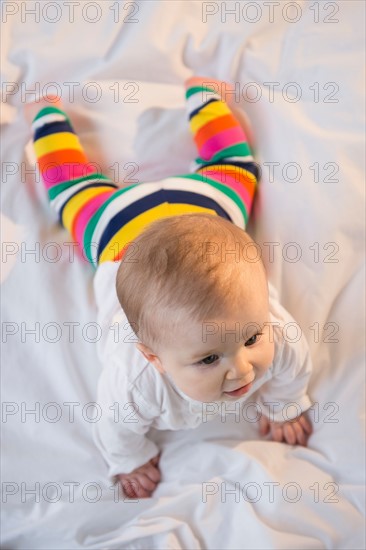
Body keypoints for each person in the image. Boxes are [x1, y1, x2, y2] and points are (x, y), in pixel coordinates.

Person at [24, 76, 313, 499]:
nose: (243, 369)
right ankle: (45, 116)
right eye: (209, 358)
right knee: (71, 189)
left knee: (235, 166)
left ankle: (204, 95)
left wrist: (285, 405)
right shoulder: (134, 383)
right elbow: (115, 426)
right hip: (119, 230)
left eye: (252, 338)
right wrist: (130, 460)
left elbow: (293, 371)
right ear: (153, 356)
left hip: (205, 208)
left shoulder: (278, 332)